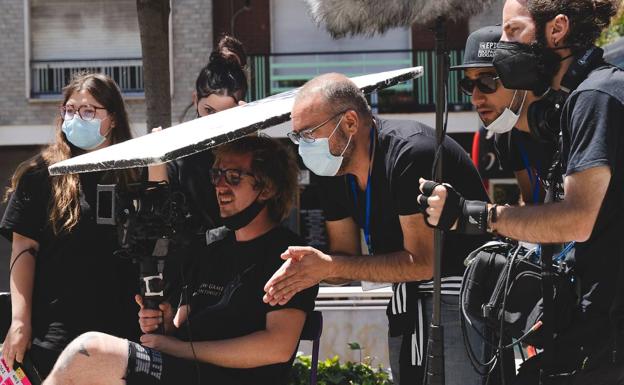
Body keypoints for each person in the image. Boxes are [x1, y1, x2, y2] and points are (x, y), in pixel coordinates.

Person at [419, 0, 624, 383]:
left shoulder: (596, 97)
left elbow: (576, 220)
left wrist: (474, 215)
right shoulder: (580, 100)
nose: (505, 44)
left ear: (557, 29)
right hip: (594, 330)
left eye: (512, 31)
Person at [263, 73, 491, 385]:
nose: (304, 147)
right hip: (405, 297)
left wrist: (331, 265)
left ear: (350, 123)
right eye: (297, 137)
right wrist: (306, 270)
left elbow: (423, 263)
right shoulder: (331, 170)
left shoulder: (410, 153)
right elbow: (344, 260)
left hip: (458, 296)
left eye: (310, 133)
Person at [42, 136, 319, 385]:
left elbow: (278, 347)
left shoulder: (288, 254)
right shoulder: (211, 245)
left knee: (92, 351)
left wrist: (175, 348)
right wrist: (165, 324)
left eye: (233, 177)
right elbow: (181, 324)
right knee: (89, 362)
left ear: (268, 189)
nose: (220, 186)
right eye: (216, 175)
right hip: (187, 372)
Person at [0, 73, 141, 378]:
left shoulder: (135, 173)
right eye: (70, 109)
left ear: (113, 118)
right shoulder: (40, 175)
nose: (77, 117)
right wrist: (20, 321)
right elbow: (23, 249)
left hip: (123, 333)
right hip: (55, 335)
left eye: (89, 110)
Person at [149, 34, 248, 235]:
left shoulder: (251, 146)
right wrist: (155, 160)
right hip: (188, 258)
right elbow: (157, 211)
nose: (215, 122)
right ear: (195, 100)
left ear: (241, 108)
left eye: (226, 114)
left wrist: (251, 141)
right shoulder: (176, 150)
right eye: (209, 111)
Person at [453, 25, 552, 205]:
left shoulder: (573, 118)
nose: (475, 99)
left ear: (521, 76)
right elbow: (533, 204)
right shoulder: (508, 135)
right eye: (469, 85)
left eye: (486, 81)